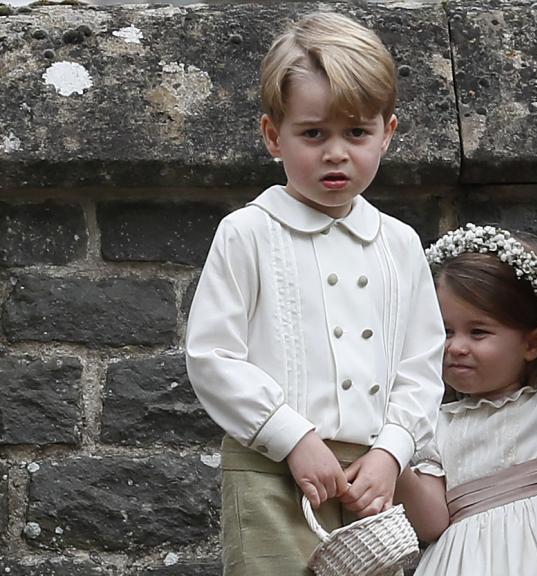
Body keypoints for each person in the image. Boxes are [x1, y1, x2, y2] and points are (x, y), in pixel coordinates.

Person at [184, 13, 445, 575]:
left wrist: (392, 452)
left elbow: (421, 366)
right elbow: (212, 356)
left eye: (356, 133)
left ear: (388, 133)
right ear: (273, 136)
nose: (335, 153)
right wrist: (293, 437)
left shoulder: (400, 244)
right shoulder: (247, 232)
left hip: (372, 481)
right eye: (313, 133)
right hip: (269, 469)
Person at [394, 224, 537, 575]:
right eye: (444, 331)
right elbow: (432, 522)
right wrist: (393, 456)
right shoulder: (434, 424)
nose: (456, 347)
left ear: (533, 343)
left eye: (478, 332)